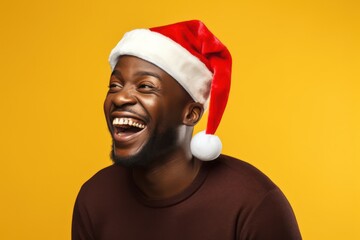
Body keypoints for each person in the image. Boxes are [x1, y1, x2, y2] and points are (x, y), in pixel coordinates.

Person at [72, 20, 302, 240]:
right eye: (115, 85)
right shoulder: (95, 199)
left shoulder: (254, 205)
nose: (120, 97)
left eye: (145, 86)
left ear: (191, 113)